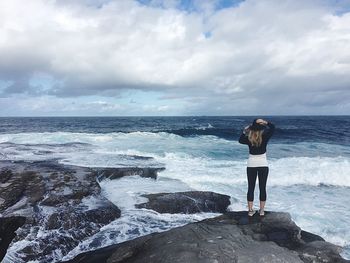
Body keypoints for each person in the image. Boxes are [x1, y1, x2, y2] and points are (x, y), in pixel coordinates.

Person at [238, 118, 275, 216]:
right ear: (261, 128)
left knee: (251, 187)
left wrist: (245, 130)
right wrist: (266, 122)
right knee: (262, 188)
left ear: (252, 128)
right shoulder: (265, 137)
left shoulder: (249, 139)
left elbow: (240, 140)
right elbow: (273, 128)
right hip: (263, 164)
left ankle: (250, 211)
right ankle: (262, 211)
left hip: (251, 165)